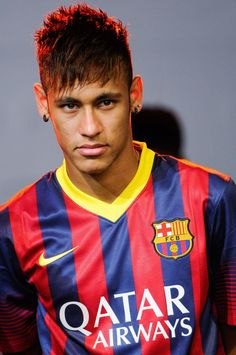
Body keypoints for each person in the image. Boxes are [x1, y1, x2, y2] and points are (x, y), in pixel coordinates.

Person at [0, 4, 236, 355]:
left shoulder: (210, 198)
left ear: (134, 95)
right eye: (70, 106)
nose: (91, 127)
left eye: (106, 102)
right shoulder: (16, 227)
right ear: (43, 102)